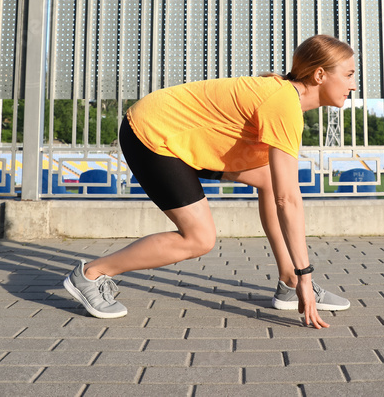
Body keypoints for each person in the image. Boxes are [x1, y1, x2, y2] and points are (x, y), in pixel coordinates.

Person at [63, 34, 358, 329]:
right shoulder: (283, 102)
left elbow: (280, 189)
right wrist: (307, 274)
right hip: (152, 133)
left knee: (269, 179)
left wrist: (299, 276)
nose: (353, 85)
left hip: (182, 138)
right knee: (199, 238)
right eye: (348, 75)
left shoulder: (284, 98)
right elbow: (288, 199)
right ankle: (90, 274)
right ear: (320, 74)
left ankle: (288, 282)